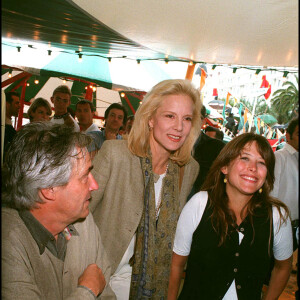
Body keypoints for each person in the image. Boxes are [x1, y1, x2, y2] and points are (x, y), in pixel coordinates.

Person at [90, 79, 202, 299]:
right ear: (150, 118)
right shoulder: (115, 154)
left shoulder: (187, 169)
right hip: (99, 274)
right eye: (170, 116)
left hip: (145, 283)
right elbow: (78, 215)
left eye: (186, 119)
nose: (179, 127)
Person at [168, 133, 293, 300]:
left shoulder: (277, 216)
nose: (253, 168)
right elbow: (176, 264)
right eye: (245, 158)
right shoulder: (200, 203)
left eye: (261, 162)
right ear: (224, 167)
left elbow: (283, 267)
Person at [2, 122, 116, 299]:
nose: (95, 185)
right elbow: (96, 286)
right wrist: (87, 291)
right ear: (49, 189)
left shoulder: (84, 220)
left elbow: (107, 294)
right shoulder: (8, 242)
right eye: (85, 176)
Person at [270, 118, 298, 260]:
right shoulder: (279, 158)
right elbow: (271, 193)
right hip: (278, 227)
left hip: (294, 228)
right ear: (288, 135)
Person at [4, 91, 20, 159]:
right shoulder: (4, 127)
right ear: (7, 105)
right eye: (16, 103)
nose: (19, 106)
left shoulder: (8, 125)